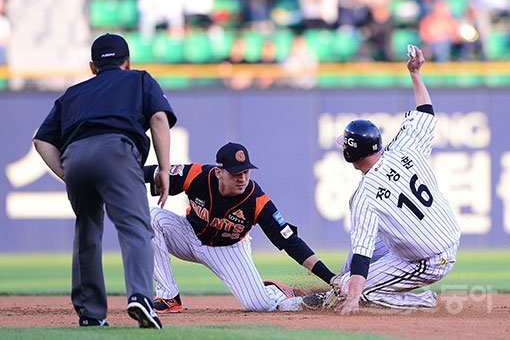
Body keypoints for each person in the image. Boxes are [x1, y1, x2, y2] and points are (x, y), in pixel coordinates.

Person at [33, 33, 177, 328]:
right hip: (117, 151)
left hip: (74, 156)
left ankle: (90, 314)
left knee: (86, 231)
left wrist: (68, 173)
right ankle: (141, 297)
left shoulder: (72, 93)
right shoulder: (138, 79)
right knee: (135, 228)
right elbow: (159, 119)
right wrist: (164, 169)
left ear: (92, 66)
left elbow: (41, 141)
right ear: (128, 62)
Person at [324, 45, 461, 314]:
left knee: (360, 290)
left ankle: (424, 301)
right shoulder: (404, 149)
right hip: (440, 237)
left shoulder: (364, 196)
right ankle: (340, 288)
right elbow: (426, 114)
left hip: (429, 260)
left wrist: (354, 296)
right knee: (349, 273)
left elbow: (363, 254)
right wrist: (416, 73)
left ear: (351, 155)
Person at [145, 142, 337, 313]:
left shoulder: (256, 199)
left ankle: (273, 290)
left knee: (260, 305)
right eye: (236, 173)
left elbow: (290, 241)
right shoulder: (197, 175)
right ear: (219, 172)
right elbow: (151, 172)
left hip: (229, 249)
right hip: (187, 235)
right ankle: (168, 296)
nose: (242, 178)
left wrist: (330, 278)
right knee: (151, 217)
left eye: (246, 172)